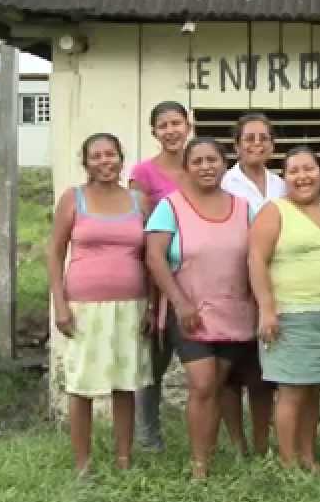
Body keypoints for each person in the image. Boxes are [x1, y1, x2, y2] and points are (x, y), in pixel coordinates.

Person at [144, 137, 257, 480]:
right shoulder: (170, 206)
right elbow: (154, 256)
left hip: (234, 312)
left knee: (219, 383)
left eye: (213, 160)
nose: (206, 167)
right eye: (198, 161)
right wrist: (180, 301)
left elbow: (255, 258)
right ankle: (199, 466)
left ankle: (217, 449)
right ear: (187, 168)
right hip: (189, 312)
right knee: (204, 383)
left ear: (225, 165)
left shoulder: (242, 207)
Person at [46, 133, 152, 475]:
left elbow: (152, 256)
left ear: (122, 159)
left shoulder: (139, 201)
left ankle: (124, 460)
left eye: (111, 155)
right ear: (86, 162)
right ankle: (83, 464)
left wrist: (151, 305)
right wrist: (59, 305)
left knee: (125, 384)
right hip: (84, 307)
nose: (105, 161)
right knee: (82, 385)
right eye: (97, 156)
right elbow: (55, 252)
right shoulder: (73, 199)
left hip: (131, 305)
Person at [249, 147, 320, 471]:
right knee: (292, 390)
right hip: (290, 315)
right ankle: (287, 461)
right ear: (285, 178)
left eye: (309, 169)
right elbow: (255, 260)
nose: (302, 176)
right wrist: (267, 309)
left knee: (315, 389)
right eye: (294, 171)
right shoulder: (274, 210)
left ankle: (308, 456)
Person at [217, 113, 283, 456]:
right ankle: (237, 444)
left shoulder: (281, 184)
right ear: (236, 145)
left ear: (272, 144)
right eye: (249, 138)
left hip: (273, 286)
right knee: (231, 374)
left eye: (263, 138)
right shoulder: (226, 184)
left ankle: (261, 444)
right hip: (234, 286)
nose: (257, 144)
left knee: (262, 375)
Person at [131, 100, 190, 451]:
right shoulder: (143, 173)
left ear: (188, 125)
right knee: (153, 362)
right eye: (163, 125)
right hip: (158, 279)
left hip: (199, 276)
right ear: (154, 132)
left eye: (176, 123)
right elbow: (139, 229)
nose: (171, 131)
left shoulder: (201, 165)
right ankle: (148, 437)